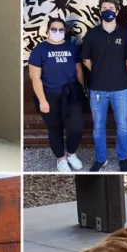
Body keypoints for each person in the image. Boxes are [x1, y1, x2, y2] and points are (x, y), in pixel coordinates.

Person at [82, 0, 127, 172]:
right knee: (98, 127)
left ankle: (123, 158)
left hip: (121, 89)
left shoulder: (125, 34)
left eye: (111, 7)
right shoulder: (92, 34)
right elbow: (86, 59)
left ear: (117, 11)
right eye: (105, 7)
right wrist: (99, 72)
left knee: (122, 126)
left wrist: (116, 73)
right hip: (97, 88)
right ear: (100, 11)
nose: (108, 10)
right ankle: (101, 159)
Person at [28, 17, 86, 172]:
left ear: (65, 32)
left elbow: (79, 70)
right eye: (54, 29)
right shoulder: (40, 50)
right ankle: (60, 159)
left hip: (71, 93)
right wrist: (42, 100)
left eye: (61, 30)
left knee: (76, 127)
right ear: (48, 31)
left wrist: (82, 90)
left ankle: (71, 154)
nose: (57, 32)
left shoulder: (72, 48)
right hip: (50, 95)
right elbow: (35, 77)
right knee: (55, 128)